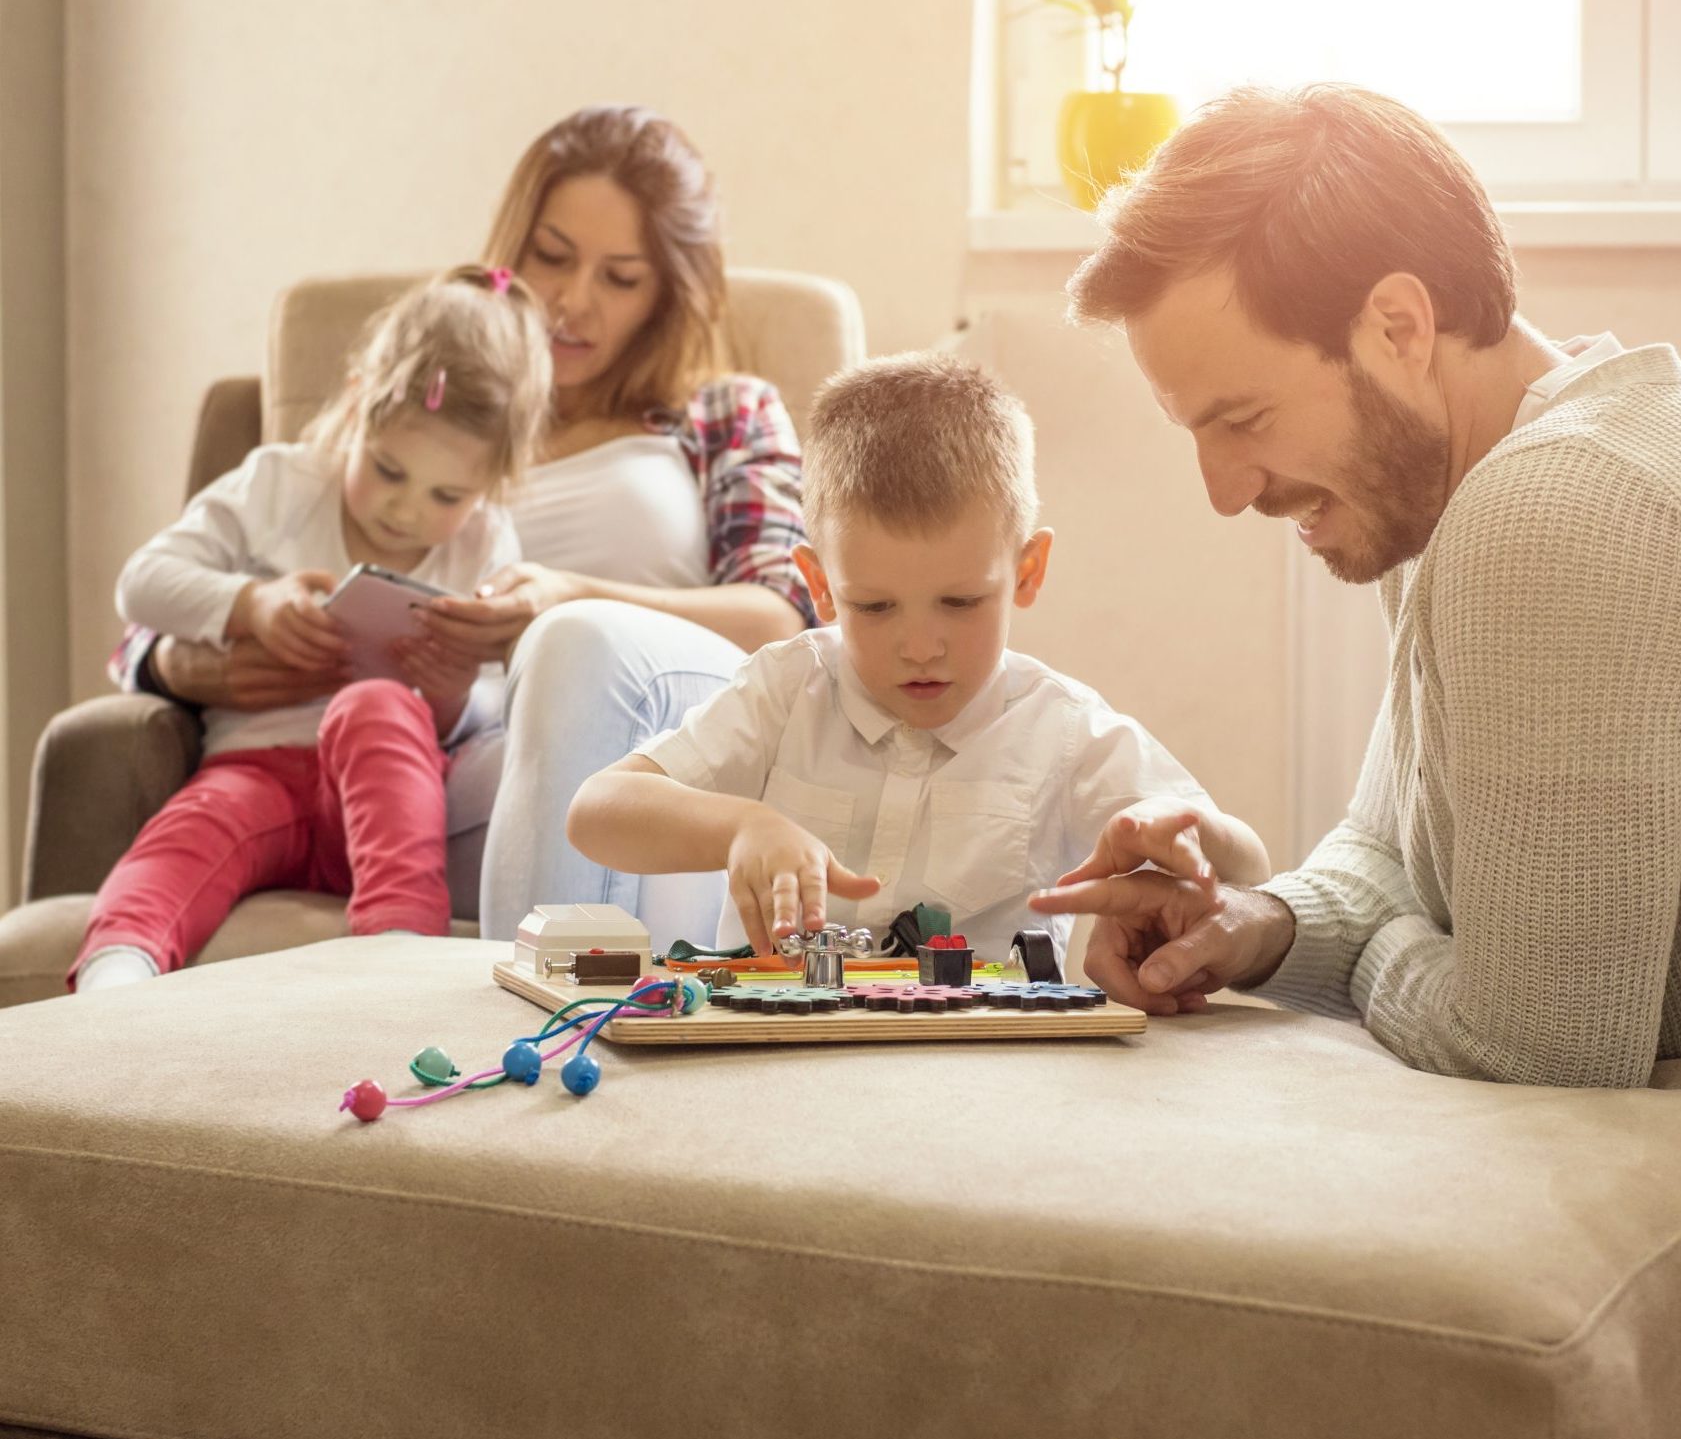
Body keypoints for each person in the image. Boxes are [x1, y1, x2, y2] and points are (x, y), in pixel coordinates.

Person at [1031, 81, 1681, 1087]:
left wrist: (1385, 954)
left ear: (1398, 327)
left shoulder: (1555, 512)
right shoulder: (1449, 494)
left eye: (1242, 419)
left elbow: (1536, 1052)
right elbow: (1382, 854)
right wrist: (1251, 925)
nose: (1224, 490)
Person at [109, 106, 815, 952]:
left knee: (572, 649)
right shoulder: (422, 407)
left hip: (636, 746)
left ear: (667, 293)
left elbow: (786, 618)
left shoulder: (723, 413)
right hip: (437, 756)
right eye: (550, 256)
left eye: (620, 277)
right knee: (398, 734)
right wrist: (180, 664)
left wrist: (566, 599)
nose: (570, 301)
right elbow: (187, 582)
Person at [568, 353, 1268, 972]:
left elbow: (1249, 865)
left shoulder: (1061, 728)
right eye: (874, 607)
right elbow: (595, 813)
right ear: (819, 586)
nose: (920, 646)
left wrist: (1181, 827)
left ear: (1027, 570)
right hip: (785, 1060)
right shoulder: (788, 689)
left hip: (977, 1078)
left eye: (960, 602)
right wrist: (740, 826)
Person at [74, 267, 551, 992]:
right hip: (257, 764)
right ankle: (119, 965)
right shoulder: (279, 484)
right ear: (358, 402)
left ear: (490, 485)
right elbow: (141, 580)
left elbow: (500, 701)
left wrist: (455, 694)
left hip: (392, 785)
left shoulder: (484, 541)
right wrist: (251, 604)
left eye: (445, 494)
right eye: (387, 468)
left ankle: (397, 956)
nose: (405, 510)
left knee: (378, 705)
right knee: (188, 834)